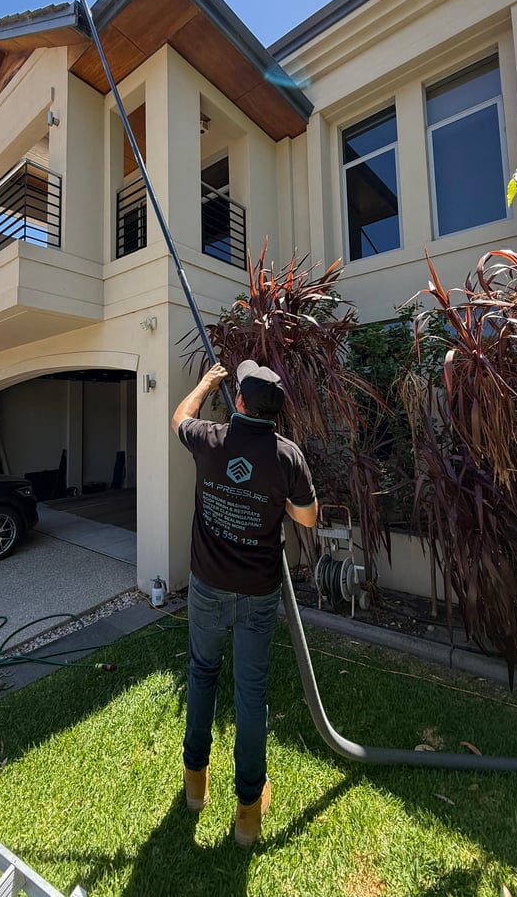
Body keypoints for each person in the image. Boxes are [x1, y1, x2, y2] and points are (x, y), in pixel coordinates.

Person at [171, 359, 318, 847]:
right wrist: (274, 502)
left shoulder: (211, 440)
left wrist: (205, 382)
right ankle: (248, 814)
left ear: (238, 401)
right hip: (257, 594)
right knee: (251, 696)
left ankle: (196, 786)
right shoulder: (286, 455)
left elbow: (178, 419)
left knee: (201, 674)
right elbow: (309, 518)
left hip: (208, 588)